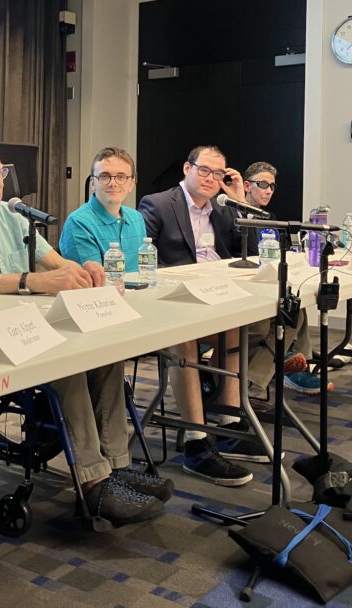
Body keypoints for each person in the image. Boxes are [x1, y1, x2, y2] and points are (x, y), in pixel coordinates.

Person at [0, 140, 171, 525]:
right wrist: (30, 281)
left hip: (27, 326)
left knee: (106, 352)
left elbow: (56, 263)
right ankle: (93, 481)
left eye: (1, 173)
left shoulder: (15, 217)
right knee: (66, 362)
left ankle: (117, 466)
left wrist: (83, 271)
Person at [138, 146, 266, 486]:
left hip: (218, 299)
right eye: (204, 171)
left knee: (236, 329)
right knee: (187, 339)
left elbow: (251, 252)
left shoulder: (224, 208)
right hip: (175, 304)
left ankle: (228, 423)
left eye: (219, 174)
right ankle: (197, 442)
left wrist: (242, 201)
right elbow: (143, 256)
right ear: (186, 168)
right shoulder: (159, 203)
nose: (212, 180)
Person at [238, 162, 327, 397]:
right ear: (246, 186)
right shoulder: (232, 214)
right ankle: (289, 363)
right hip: (243, 285)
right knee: (290, 302)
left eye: (272, 186)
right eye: (263, 184)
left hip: (265, 282)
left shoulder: (270, 218)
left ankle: (282, 365)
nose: (268, 191)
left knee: (295, 298)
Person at [59, 146, 145, 267]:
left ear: (131, 184)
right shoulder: (78, 223)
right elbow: (94, 282)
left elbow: (145, 272)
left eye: (121, 177)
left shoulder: (137, 218)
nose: (113, 183)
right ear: (93, 183)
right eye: (104, 176)